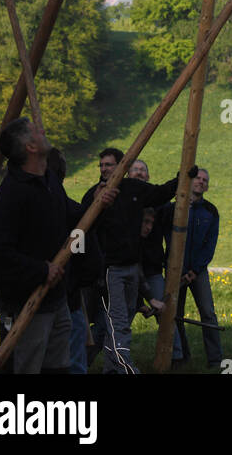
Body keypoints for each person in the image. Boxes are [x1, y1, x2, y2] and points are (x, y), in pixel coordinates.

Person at [0, 117, 110, 373]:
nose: (43, 131)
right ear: (30, 147)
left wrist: (96, 206)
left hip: (56, 299)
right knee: (26, 367)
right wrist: (41, 270)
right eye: (36, 131)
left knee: (57, 368)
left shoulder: (48, 180)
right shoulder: (14, 191)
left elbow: (73, 222)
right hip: (26, 302)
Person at [80, 147, 195, 375]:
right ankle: (125, 369)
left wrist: (183, 176)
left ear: (122, 166)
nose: (104, 169)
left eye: (109, 165)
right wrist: (97, 204)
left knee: (119, 323)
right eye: (101, 165)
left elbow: (161, 193)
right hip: (110, 270)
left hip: (133, 266)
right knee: (118, 323)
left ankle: (111, 369)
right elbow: (82, 226)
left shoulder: (133, 188)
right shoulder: (95, 194)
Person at [168, 169, 222, 368]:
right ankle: (181, 357)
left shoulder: (211, 211)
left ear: (207, 186)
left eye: (204, 180)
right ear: (190, 182)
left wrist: (195, 270)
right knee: (176, 314)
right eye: (197, 178)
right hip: (175, 271)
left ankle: (215, 360)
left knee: (208, 313)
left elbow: (210, 244)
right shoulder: (175, 208)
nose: (200, 182)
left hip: (198, 273)